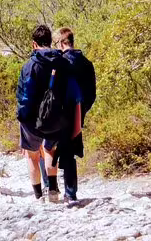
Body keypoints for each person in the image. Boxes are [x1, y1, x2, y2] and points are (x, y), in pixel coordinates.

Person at [17, 25, 68, 202]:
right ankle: (53, 191)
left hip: (32, 118)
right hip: (56, 115)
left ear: (34, 44)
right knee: (50, 150)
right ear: (50, 41)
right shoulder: (62, 61)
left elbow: (25, 94)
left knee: (32, 155)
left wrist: (22, 115)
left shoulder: (30, 66)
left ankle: (39, 196)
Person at [54, 27, 96, 204]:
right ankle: (70, 192)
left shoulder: (60, 62)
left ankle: (62, 191)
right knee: (70, 151)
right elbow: (92, 93)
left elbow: (53, 89)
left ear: (63, 42)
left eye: (56, 43)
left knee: (60, 150)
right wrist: (82, 110)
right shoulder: (87, 63)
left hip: (62, 113)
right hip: (78, 112)